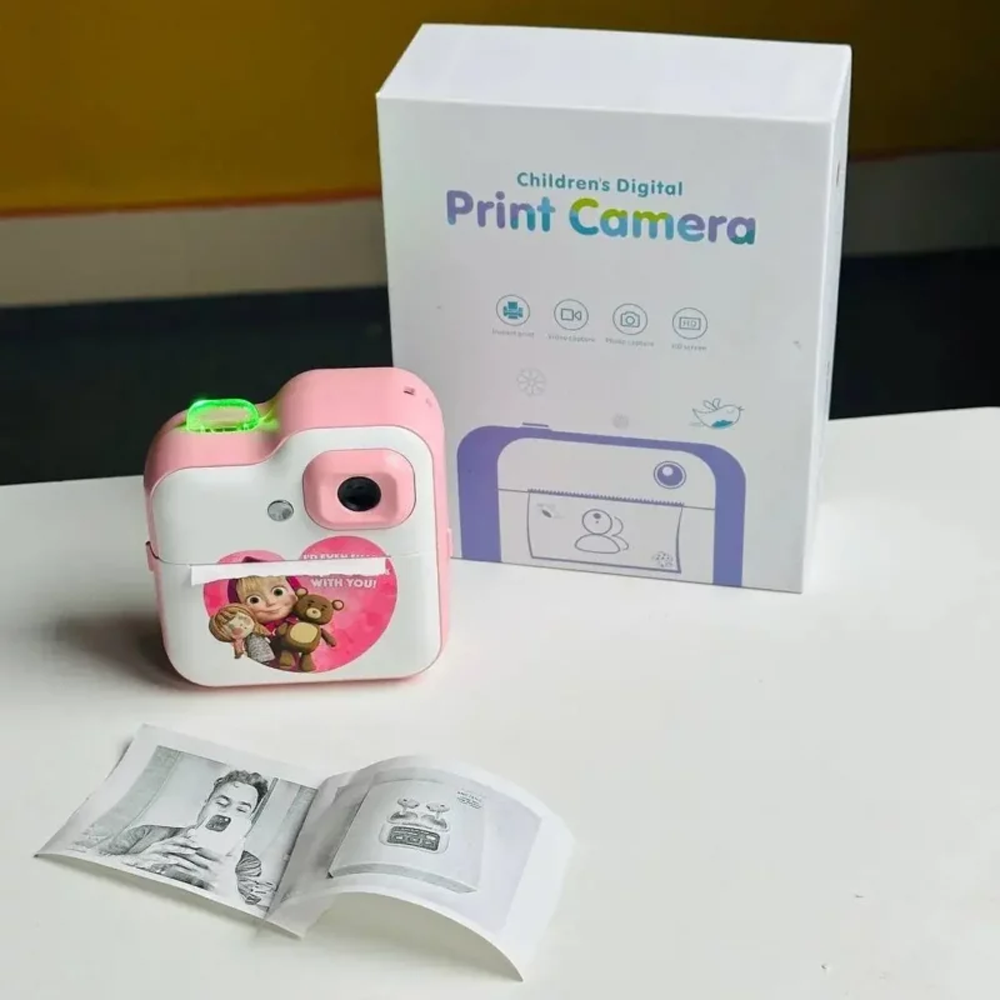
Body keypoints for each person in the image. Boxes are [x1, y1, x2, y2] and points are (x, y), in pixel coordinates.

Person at [99, 770, 270, 906]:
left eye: (241, 810)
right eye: (221, 803)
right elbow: (89, 855)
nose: (227, 813)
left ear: (248, 819)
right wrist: (133, 860)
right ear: (205, 803)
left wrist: (225, 886)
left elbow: (240, 915)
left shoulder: (247, 864)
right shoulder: (146, 832)